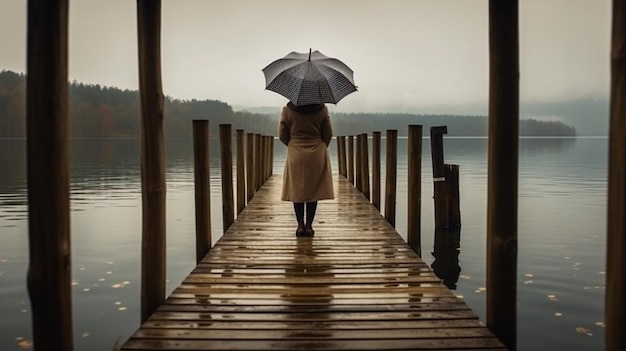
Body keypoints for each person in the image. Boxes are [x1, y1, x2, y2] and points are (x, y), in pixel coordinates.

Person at [278, 102, 334, 237]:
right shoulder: (322, 109)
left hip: (295, 153)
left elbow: (282, 134)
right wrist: (320, 145)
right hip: (316, 153)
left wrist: (293, 144)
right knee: (313, 191)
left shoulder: (287, 110)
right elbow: (328, 133)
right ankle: (309, 226)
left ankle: (299, 225)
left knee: (296, 190)